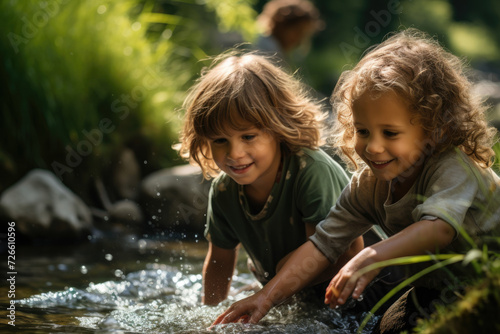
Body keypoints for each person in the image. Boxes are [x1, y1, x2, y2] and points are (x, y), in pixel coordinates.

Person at [211, 29, 500, 332]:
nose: (373, 147)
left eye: (390, 133)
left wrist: (369, 257)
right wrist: (265, 297)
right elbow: (324, 244)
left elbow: (437, 229)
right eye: (363, 131)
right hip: (439, 287)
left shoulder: (454, 167)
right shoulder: (368, 185)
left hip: (489, 279)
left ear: (434, 130)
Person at [176, 52, 364, 306]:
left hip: (361, 287)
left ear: (277, 126)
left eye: (248, 137)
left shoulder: (310, 171)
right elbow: (220, 261)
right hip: (291, 292)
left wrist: (271, 291)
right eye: (220, 141)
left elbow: (338, 255)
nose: (234, 154)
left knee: (283, 266)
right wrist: (210, 318)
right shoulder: (223, 190)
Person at [255, 0, 324, 61]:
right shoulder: (267, 51)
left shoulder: (277, 50)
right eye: (298, 31)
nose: (299, 39)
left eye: (304, 34)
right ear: (282, 24)